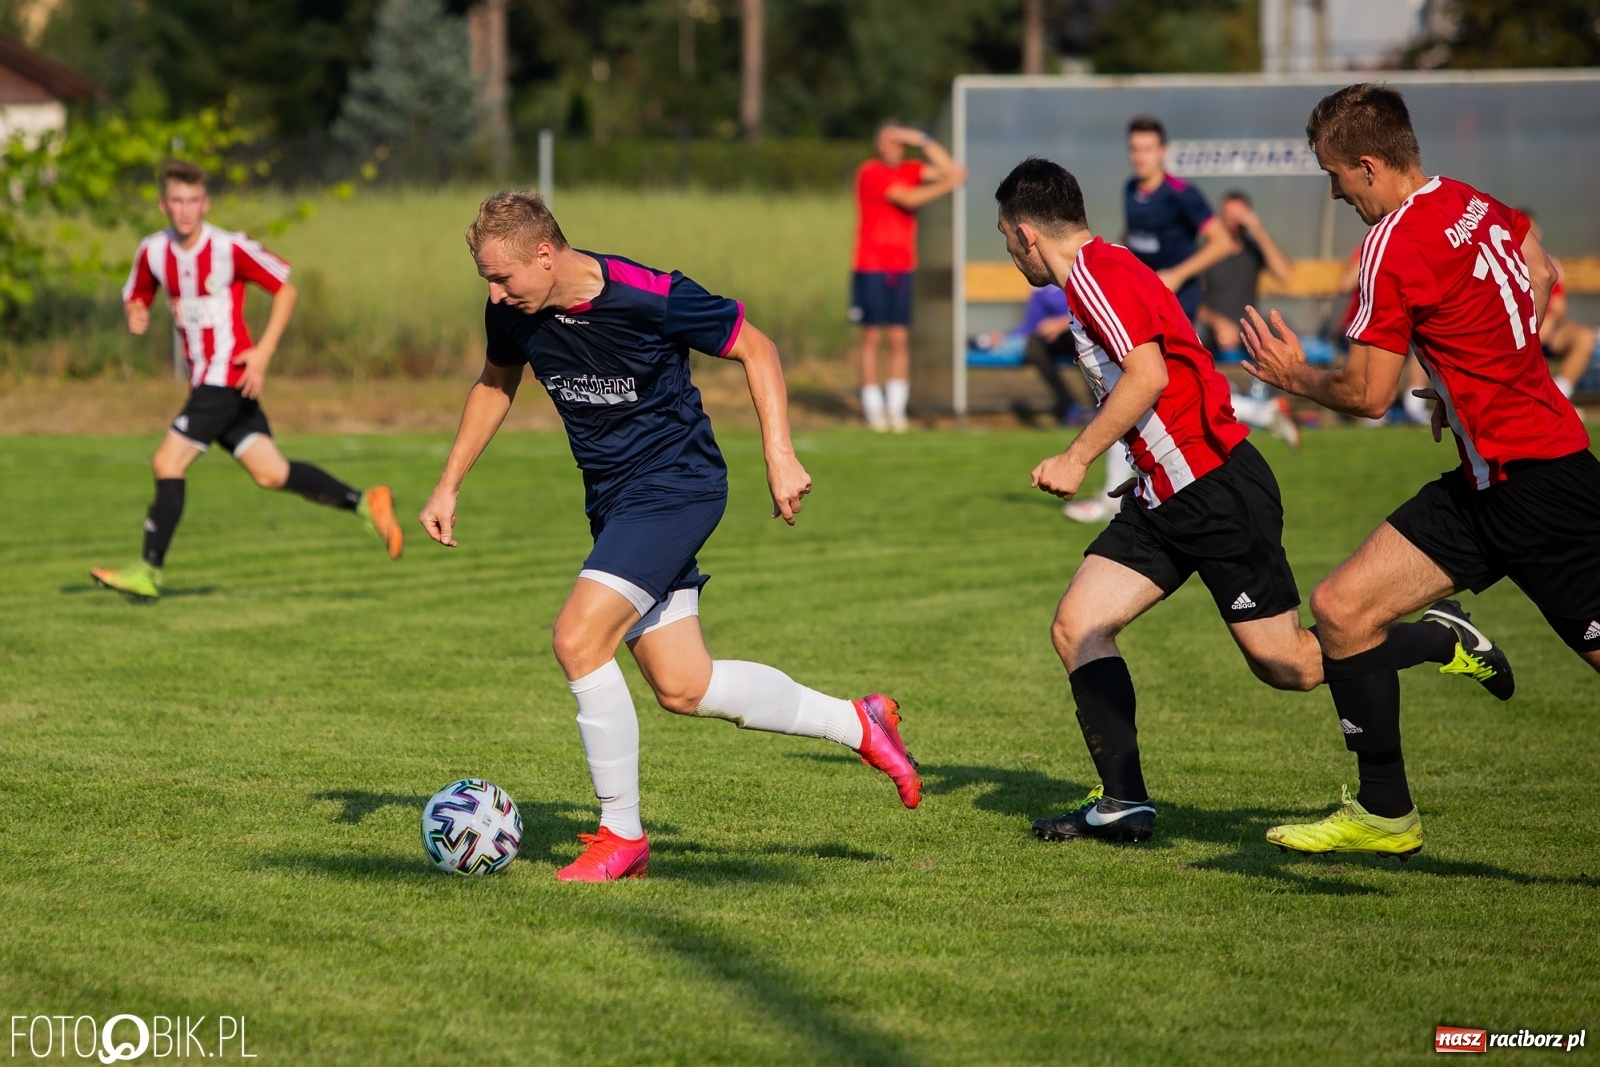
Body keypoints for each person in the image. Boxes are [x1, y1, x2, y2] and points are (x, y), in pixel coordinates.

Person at [421, 190, 921, 883]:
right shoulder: (513, 310)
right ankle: (859, 722)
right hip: (615, 502)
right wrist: (448, 484)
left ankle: (620, 834)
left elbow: (757, 346)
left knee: (576, 638)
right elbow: (494, 382)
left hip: (677, 486)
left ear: (545, 254)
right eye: (486, 280)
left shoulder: (646, 294)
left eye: (502, 277)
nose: (496, 294)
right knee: (685, 686)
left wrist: (779, 454)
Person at [991, 158, 1489, 846]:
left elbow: (1147, 375)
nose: (1010, 254)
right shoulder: (1103, 269)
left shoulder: (1094, 274)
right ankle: (1124, 802)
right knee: (1078, 626)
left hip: (1215, 490)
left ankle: (1441, 635)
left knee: (1292, 665)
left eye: (1004, 240)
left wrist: (1076, 456)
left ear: (1024, 234)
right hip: (1162, 494)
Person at [1242, 84, 1597, 860]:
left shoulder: (1392, 243)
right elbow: (1539, 269)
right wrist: (1473, 376)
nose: (1336, 193)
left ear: (1368, 165)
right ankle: (1385, 810)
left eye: (1336, 176)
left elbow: (1368, 395)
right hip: (1490, 478)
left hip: (1538, 486)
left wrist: (1291, 375)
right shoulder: (1469, 201)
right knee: (1341, 609)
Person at [90, 160, 403, 600]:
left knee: (167, 463)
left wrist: (263, 353)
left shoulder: (228, 248)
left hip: (227, 376)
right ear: (163, 203)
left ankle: (147, 569)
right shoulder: (153, 250)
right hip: (206, 382)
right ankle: (365, 501)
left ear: (206, 203)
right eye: (176, 200)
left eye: (193, 200)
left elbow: (286, 291)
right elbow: (138, 292)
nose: (185, 210)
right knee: (271, 473)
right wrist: (135, 312)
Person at [1065, 118, 1278, 523]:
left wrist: (1178, 275)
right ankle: (1263, 414)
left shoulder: (1183, 195)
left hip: (1174, 309)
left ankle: (1123, 496)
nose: (1140, 157)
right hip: (1136, 306)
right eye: (1134, 149)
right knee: (1134, 389)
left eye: (1147, 149)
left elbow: (1222, 242)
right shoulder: (1132, 191)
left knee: (1140, 388)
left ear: (1163, 152)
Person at [851, 122, 967, 432]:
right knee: (871, 337)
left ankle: (896, 408)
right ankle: (873, 408)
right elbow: (908, 199)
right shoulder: (870, 172)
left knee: (900, 338)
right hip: (871, 265)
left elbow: (951, 169)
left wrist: (921, 139)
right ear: (878, 145)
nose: (894, 147)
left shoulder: (912, 168)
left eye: (899, 142)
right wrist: (949, 185)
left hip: (903, 265)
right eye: (888, 141)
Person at [1196, 190, 1302, 448]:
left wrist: (1258, 228)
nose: (1231, 219)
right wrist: (1217, 322)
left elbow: (1285, 274)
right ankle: (1264, 412)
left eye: (1238, 214)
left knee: (1282, 330)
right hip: (1213, 331)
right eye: (1227, 213)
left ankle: (1276, 402)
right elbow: (1191, 300)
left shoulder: (1253, 250)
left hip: (1248, 329)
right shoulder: (1207, 251)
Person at [975, 284, 1092, 427]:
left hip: (1085, 334)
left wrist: (1064, 323)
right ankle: (1069, 406)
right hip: (1056, 341)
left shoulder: (1082, 274)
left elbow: (1096, 311)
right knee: (1034, 346)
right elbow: (1032, 323)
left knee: (1085, 343)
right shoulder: (1040, 286)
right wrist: (1005, 337)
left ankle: (1099, 404)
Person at [1523, 213, 1598, 401]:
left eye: (1533, 230)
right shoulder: (1503, 261)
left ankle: (1560, 396)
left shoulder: (1550, 263)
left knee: (1584, 337)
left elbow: (1558, 307)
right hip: (1517, 334)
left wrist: (1545, 323)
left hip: (1546, 332)